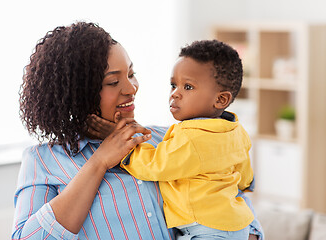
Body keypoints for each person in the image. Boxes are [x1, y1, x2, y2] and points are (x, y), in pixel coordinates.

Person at [13, 21, 263, 240]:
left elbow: (230, 194)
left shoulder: (168, 138)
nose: (131, 88)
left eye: (131, 74)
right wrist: (99, 161)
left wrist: (249, 232)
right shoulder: (44, 161)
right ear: (77, 93)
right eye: (113, 81)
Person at [99, 40, 262, 239]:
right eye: (173, 85)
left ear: (220, 99)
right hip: (235, 225)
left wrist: (125, 146)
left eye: (188, 87)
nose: (175, 94)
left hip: (208, 229)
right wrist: (247, 184)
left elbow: (155, 165)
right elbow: (243, 173)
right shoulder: (236, 131)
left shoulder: (190, 138)